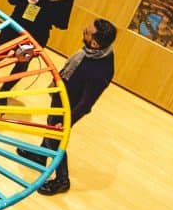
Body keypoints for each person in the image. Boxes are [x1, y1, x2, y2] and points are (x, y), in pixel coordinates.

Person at [38, 20, 116, 195]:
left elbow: (86, 104)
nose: (83, 31)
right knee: (50, 125)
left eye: (87, 32)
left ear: (94, 43)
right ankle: (40, 155)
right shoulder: (95, 52)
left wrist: (67, 122)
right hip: (62, 96)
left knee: (56, 137)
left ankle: (62, 180)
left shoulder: (100, 72)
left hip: (69, 107)